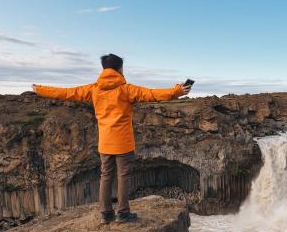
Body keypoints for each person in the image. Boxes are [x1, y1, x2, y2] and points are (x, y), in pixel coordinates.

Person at [32, 54, 192, 223]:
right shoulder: (126, 89)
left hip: (105, 143)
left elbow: (66, 93)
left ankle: (106, 213)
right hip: (123, 143)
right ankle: (123, 213)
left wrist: (40, 89)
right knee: (123, 176)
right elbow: (152, 94)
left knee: (105, 176)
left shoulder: (94, 89)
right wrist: (177, 91)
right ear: (120, 69)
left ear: (104, 69)